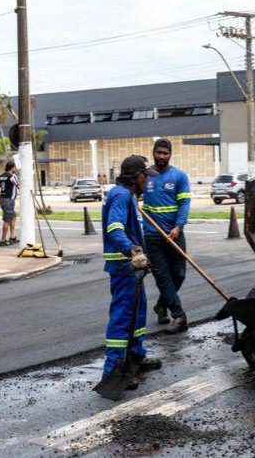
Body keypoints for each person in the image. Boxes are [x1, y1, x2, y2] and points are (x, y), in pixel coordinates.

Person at [101, 155, 162, 387]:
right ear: (136, 177)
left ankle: (136, 357)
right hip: (123, 265)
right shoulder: (120, 195)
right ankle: (113, 371)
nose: (147, 181)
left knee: (137, 313)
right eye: (145, 176)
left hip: (131, 268)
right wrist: (132, 250)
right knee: (123, 318)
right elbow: (114, 227)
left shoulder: (126, 196)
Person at [141, 138, 191, 334]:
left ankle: (161, 305)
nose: (161, 156)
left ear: (170, 154)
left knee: (178, 275)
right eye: (158, 153)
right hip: (152, 235)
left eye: (165, 153)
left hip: (174, 234)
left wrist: (179, 226)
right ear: (153, 152)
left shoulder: (179, 176)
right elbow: (133, 193)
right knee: (162, 277)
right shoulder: (146, 176)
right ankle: (179, 316)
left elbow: (184, 204)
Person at [0, 161, 19, 246]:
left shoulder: (1, 177)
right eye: (14, 167)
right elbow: (18, 185)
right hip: (8, 200)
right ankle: (3, 240)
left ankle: (12, 237)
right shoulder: (12, 176)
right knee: (7, 220)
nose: (15, 169)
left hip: (3, 199)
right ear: (12, 168)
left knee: (13, 217)